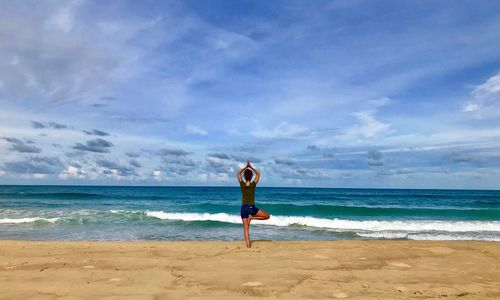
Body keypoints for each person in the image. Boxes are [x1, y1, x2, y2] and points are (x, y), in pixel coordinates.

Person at [237, 161, 270, 248]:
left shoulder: (242, 184)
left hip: (243, 208)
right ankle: (252, 218)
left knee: (246, 229)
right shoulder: (253, 185)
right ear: (251, 176)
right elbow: (258, 174)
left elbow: (238, 174)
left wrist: (245, 167)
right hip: (251, 207)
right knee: (267, 216)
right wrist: (250, 167)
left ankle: (248, 246)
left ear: (244, 176)